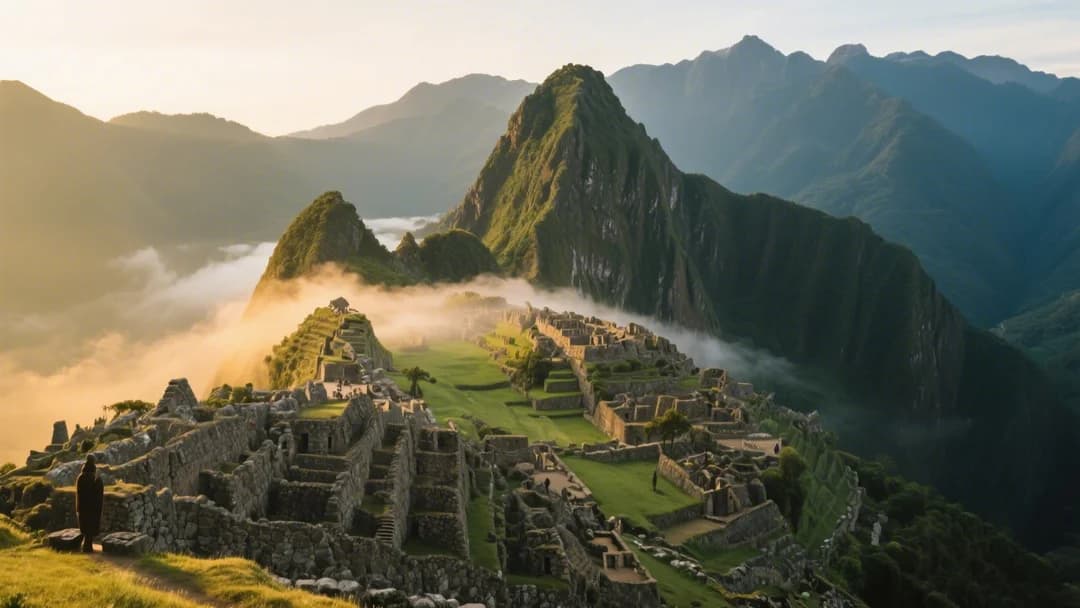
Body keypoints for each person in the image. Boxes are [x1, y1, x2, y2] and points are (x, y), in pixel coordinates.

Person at [75, 454, 104, 553]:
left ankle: (87, 547)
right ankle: (87, 547)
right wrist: (99, 482)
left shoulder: (80, 477)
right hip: (92, 508)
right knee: (90, 529)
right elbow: (96, 492)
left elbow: (80, 493)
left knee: (85, 527)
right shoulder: (93, 478)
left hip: (82, 507)